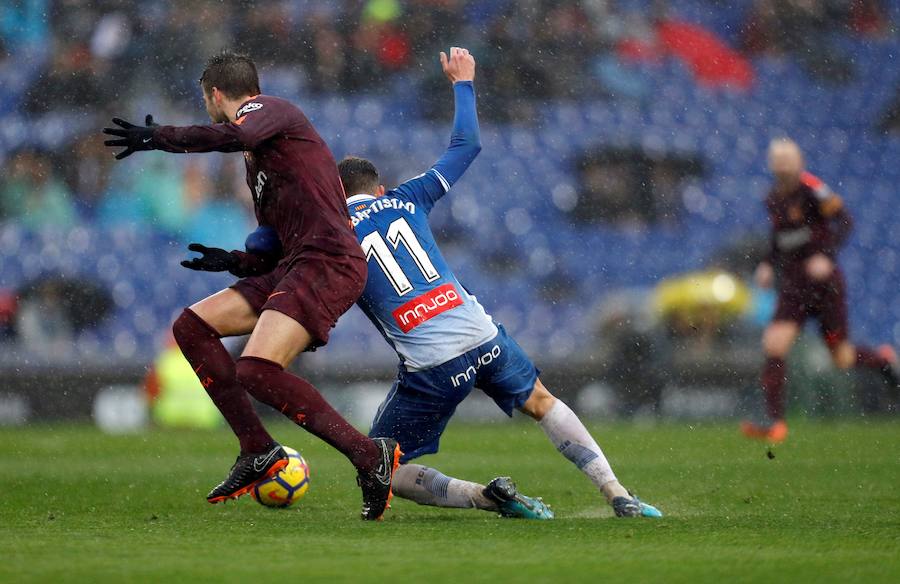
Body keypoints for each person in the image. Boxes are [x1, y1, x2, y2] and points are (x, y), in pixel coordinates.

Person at [339, 47, 661, 519]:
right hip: (479, 333)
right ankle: (618, 493)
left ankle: (485, 497)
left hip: (431, 361)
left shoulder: (331, 231)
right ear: (380, 188)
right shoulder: (407, 198)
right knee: (542, 400)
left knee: (381, 465)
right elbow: (467, 146)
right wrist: (463, 83)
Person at [103, 51, 400, 521]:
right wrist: (237, 261)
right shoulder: (257, 158)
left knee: (257, 371)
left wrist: (158, 137)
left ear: (214, 94)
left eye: (205, 99)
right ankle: (257, 449)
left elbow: (234, 133)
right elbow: (275, 242)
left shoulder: (269, 111)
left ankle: (369, 456)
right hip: (294, 264)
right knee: (192, 327)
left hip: (328, 261)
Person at [743, 138, 899, 442]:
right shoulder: (773, 197)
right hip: (793, 285)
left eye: (788, 158)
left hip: (825, 286)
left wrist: (826, 256)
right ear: (772, 164)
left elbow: (845, 221)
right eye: (778, 159)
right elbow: (779, 237)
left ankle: (883, 360)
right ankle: (775, 423)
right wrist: (766, 263)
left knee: (840, 357)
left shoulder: (813, 189)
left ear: (799, 161)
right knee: (774, 344)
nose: (784, 164)